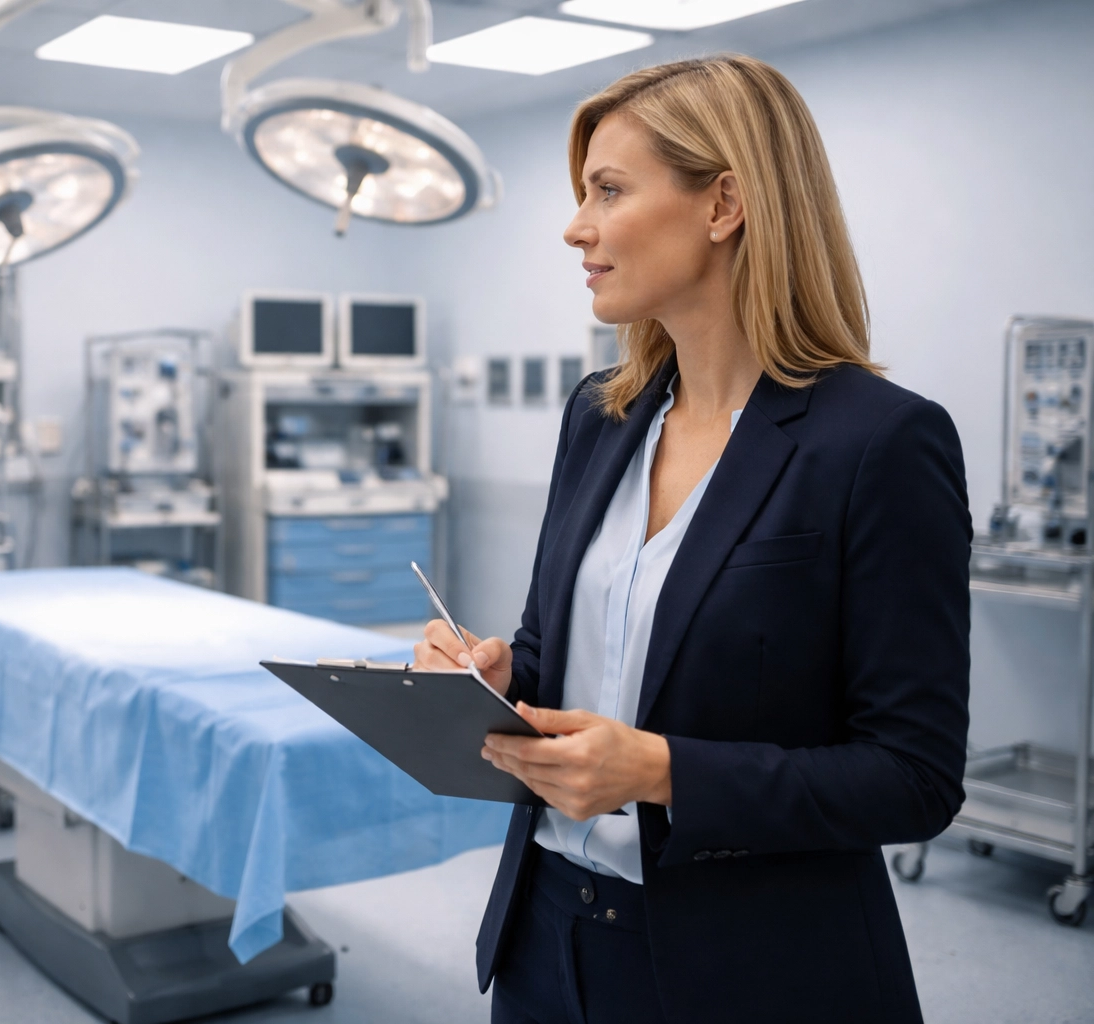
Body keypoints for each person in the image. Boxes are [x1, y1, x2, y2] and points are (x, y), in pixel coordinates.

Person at [413, 55, 970, 1024]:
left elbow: (914, 777)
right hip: (545, 937)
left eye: (608, 190)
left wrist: (661, 771)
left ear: (724, 204)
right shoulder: (600, 417)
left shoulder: (878, 443)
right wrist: (497, 678)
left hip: (749, 968)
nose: (575, 226)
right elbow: (559, 652)